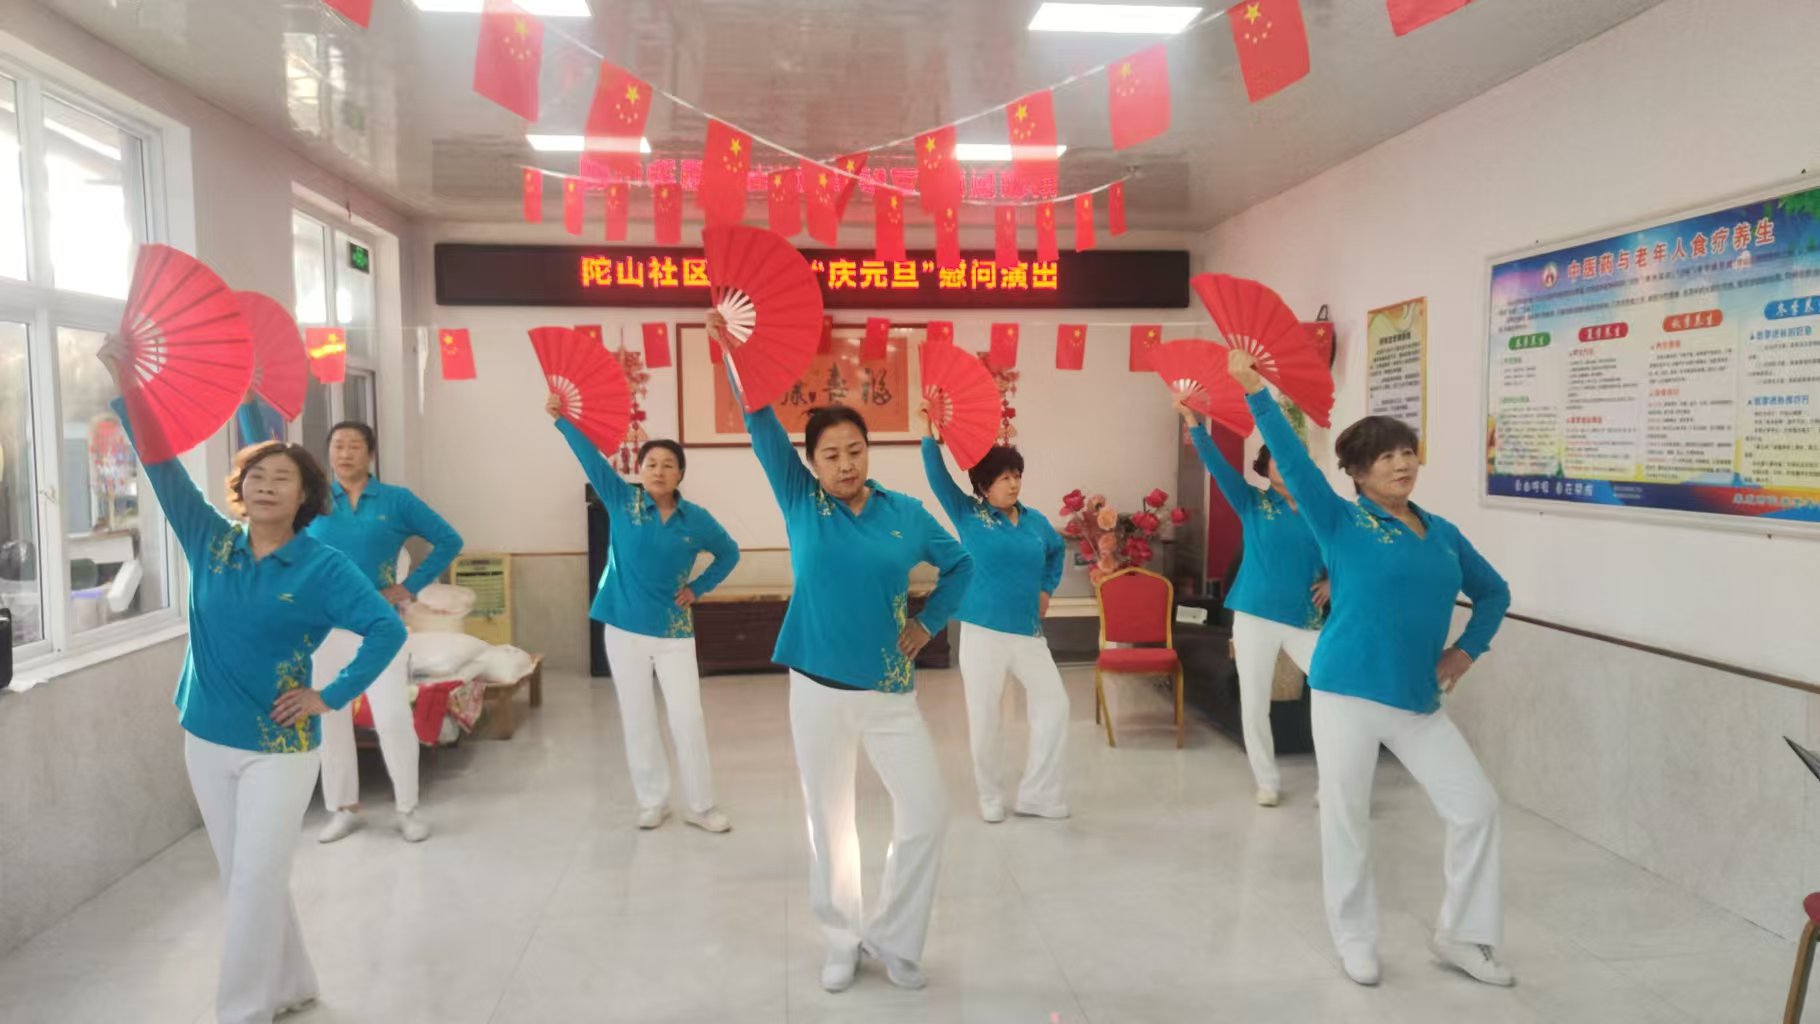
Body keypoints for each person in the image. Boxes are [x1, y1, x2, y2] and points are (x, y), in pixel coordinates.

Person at [102, 352, 406, 1024]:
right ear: (241, 488)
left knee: (254, 881)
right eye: (256, 477)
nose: (266, 487)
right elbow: (161, 464)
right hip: (206, 736)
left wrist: (332, 695)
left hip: (281, 746)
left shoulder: (324, 567)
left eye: (282, 479)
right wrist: (128, 385)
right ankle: (292, 982)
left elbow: (386, 629)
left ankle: (241, 1011)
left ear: (305, 498)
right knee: (247, 876)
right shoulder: (210, 540)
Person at [1228, 349, 1513, 989]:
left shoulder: (1443, 533)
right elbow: (1294, 463)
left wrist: (1466, 651)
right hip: (1346, 695)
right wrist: (1255, 392)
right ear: (1357, 473)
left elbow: (1494, 593)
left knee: (1476, 808)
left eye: (1407, 451)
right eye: (1385, 457)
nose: (1402, 463)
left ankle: (1462, 935)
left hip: (1418, 701)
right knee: (1346, 819)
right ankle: (1354, 939)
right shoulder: (1340, 522)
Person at [708, 310, 973, 994]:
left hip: (889, 692)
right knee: (830, 822)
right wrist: (735, 351)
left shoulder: (905, 512)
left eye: (855, 450)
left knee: (927, 814)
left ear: (868, 451)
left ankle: (895, 939)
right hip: (817, 689)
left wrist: (928, 624)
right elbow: (760, 421)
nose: (846, 463)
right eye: (831, 454)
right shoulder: (801, 500)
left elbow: (961, 565)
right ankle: (839, 939)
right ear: (813, 463)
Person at [546, 394, 740, 832]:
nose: (659, 470)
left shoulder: (696, 519)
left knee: (687, 718)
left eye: (668, 464)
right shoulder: (623, 500)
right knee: (637, 717)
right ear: (640, 469)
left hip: (673, 632)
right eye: (651, 463)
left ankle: (701, 806)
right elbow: (590, 459)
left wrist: (698, 588)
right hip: (623, 627)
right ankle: (652, 801)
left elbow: (729, 553)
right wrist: (562, 421)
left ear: (680, 474)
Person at [301, 419, 463, 843]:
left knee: (392, 716)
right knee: (329, 716)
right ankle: (343, 808)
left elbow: (449, 540)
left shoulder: (396, 500)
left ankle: (407, 808)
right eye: (337, 445)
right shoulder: (314, 501)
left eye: (354, 445)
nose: (345, 453)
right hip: (326, 627)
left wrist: (408, 587)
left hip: (379, 625)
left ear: (370, 454)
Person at [1175, 397, 1329, 807]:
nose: (1284, 463)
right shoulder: (1253, 503)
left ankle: (1332, 782)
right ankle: (1267, 780)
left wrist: (1333, 581)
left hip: (1305, 618)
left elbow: (1349, 551)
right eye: (1275, 457)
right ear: (1264, 467)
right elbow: (1217, 465)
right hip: (1254, 616)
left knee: (1333, 694)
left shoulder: (1323, 510)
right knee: (1255, 701)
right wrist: (1193, 422)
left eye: (1290, 456)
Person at [919, 418, 1070, 823]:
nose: (1014, 483)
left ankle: (1038, 794)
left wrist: (1046, 589)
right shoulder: (969, 514)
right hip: (982, 631)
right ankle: (990, 795)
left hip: (1028, 633)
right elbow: (937, 478)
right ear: (984, 486)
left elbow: (1056, 552)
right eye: (1004, 477)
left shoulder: (1036, 521)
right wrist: (929, 436)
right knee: (985, 716)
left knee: (1055, 705)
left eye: (1017, 475)